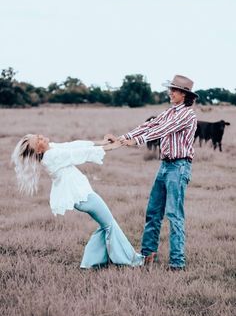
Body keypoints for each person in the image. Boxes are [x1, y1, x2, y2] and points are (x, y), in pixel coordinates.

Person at [104, 75, 198, 271]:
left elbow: (164, 129)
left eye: (175, 90)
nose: (170, 92)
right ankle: (147, 256)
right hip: (164, 166)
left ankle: (177, 263)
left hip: (179, 167)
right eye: (170, 89)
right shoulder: (168, 112)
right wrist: (122, 138)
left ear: (184, 94)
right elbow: (150, 125)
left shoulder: (187, 115)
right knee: (153, 212)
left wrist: (136, 142)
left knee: (174, 215)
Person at [11, 135, 144, 269]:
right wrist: (111, 147)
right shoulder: (51, 156)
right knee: (109, 224)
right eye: (37, 141)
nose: (41, 137)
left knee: (106, 224)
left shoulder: (51, 149)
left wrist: (99, 142)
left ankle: (91, 263)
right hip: (83, 197)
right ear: (39, 151)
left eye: (37, 136)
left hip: (82, 195)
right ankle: (131, 260)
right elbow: (78, 153)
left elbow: (73, 145)